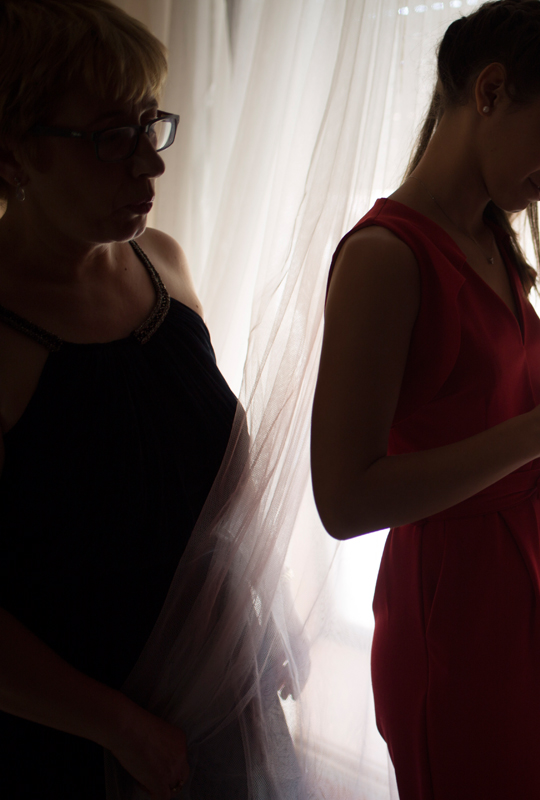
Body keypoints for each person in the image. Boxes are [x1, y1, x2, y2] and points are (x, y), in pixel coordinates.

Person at [310, 2, 540, 797]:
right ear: (490, 92)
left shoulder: (493, 237)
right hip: (462, 605)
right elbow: (344, 500)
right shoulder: (386, 258)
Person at [0, 1, 238, 798]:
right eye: (110, 137)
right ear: (12, 150)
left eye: (150, 125)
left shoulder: (162, 264)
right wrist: (118, 727)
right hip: (61, 747)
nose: (150, 165)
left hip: (194, 709)